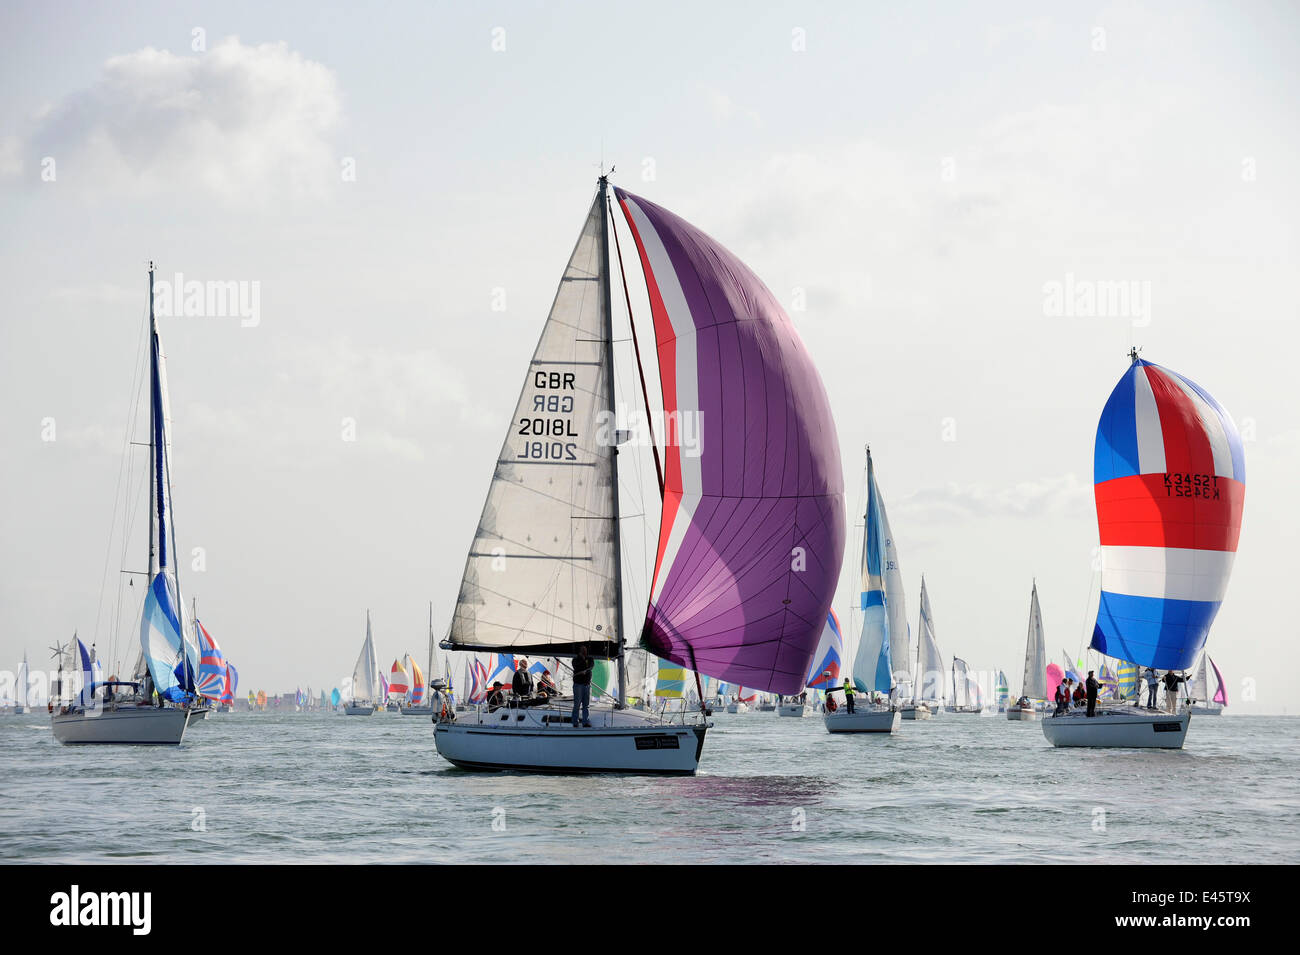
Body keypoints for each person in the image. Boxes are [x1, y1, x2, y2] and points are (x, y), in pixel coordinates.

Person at [571, 647, 593, 727]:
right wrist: (582, 659)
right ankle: (575, 722)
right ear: (579, 652)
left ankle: (585, 721)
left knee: (586, 705)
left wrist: (585, 669)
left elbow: (591, 666)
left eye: (585, 650)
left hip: (586, 684)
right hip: (578, 685)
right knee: (577, 704)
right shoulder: (575, 660)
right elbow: (577, 667)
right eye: (582, 650)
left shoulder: (590, 659)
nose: (584, 651)